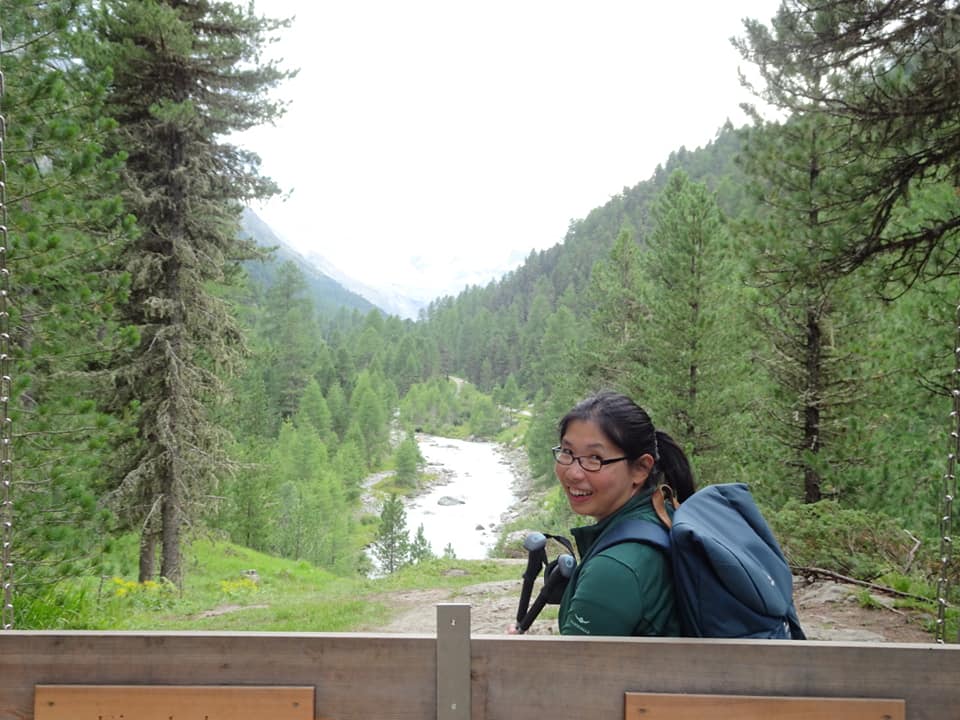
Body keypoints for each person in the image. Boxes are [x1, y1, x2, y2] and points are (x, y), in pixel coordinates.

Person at [552, 391, 696, 636]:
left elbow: (570, 661)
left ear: (640, 468)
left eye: (595, 458)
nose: (573, 473)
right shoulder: (665, 514)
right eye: (567, 452)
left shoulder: (614, 568)